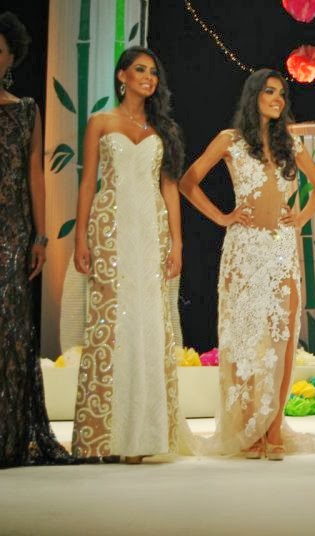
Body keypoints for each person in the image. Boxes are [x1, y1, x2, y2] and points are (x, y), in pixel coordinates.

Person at [180, 68, 315, 460]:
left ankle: (274, 431)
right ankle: (249, 431)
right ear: (254, 96)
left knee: (282, 337)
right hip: (244, 249)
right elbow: (188, 182)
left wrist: (300, 217)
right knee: (245, 340)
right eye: (269, 92)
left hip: (281, 249)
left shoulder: (290, 143)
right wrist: (222, 216)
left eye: (281, 93)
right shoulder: (229, 140)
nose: (277, 99)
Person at [72, 46, 193, 463]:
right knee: (111, 324)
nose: (148, 77)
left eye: (153, 72)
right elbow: (88, 182)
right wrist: (80, 239)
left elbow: (170, 187)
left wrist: (177, 242)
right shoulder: (101, 122)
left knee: (150, 323)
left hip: (151, 230)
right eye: (140, 70)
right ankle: (108, 437)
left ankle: (147, 435)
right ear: (122, 76)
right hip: (111, 228)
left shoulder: (162, 129)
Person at [0, 11, 72, 468]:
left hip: (12, 230)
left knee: (9, 329)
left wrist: (41, 236)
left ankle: (8, 436)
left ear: (11, 56)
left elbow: (35, 175)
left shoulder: (25, 109)